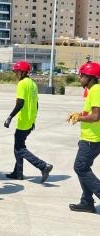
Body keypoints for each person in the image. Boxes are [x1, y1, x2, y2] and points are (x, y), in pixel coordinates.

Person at [4, 61, 53, 182]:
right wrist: (33, 120)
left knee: (20, 149)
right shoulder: (32, 84)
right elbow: (36, 103)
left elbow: (20, 103)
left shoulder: (22, 84)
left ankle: (42, 166)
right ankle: (18, 173)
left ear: (23, 72)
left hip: (23, 121)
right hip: (29, 121)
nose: (15, 74)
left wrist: (10, 117)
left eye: (17, 72)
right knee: (19, 147)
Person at [67, 62, 100, 213]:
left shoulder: (96, 90)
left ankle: (90, 199)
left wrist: (80, 119)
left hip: (92, 139)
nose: (80, 78)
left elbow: (96, 116)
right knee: (83, 168)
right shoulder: (94, 90)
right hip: (90, 138)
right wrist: (79, 115)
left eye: (82, 76)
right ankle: (87, 202)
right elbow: (91, 113)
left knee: (80, 167)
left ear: (91, 77)